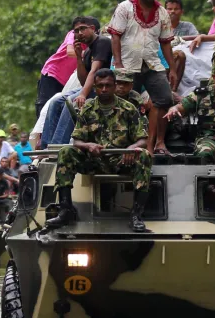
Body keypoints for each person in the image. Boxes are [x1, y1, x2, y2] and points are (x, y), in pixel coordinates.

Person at [46, 69, 152, 232]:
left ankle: (136, 214)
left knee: (144, 155)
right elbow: (77, 139)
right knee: (66, 152)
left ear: (114, 86)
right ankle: (66, 210)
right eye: (100, 86)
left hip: (121, 160)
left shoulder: (128, 109)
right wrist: (88, 146)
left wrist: (131, 149)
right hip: (94, 159)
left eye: (108, 85)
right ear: (95, 87)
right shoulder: (87, 109)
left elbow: (143, 139)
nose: (104, 89)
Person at [108, 0, 177, 156]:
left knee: (164, 98)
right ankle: (123, 144)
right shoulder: (125, 8)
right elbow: (115, 35)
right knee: (123, 102)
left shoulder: (162, 12)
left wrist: (172, 68)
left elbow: (166, 42)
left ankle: (157, 144)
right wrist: (118, 62)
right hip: (128, 63)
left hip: (152, 63)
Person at [42, 16, 110, 149]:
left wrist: (83, 95)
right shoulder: (87, 51)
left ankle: (57, 147)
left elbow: (94, 71)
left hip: (104, 87)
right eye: (76, 31)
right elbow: (83, 80)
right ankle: (46, 147)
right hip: (90, 87)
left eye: (83, 29)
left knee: (71, 102)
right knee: (56, 101)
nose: (79, 33)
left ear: (92, 28)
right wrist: (79, 57)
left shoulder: (102, 42)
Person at [36, 26, 83, 118]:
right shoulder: (73, 34)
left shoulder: (94, 42)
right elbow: (70, 52)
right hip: (53, 74)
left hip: (68, 81)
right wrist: (90, 53)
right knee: (45, 106)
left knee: (61, 109)